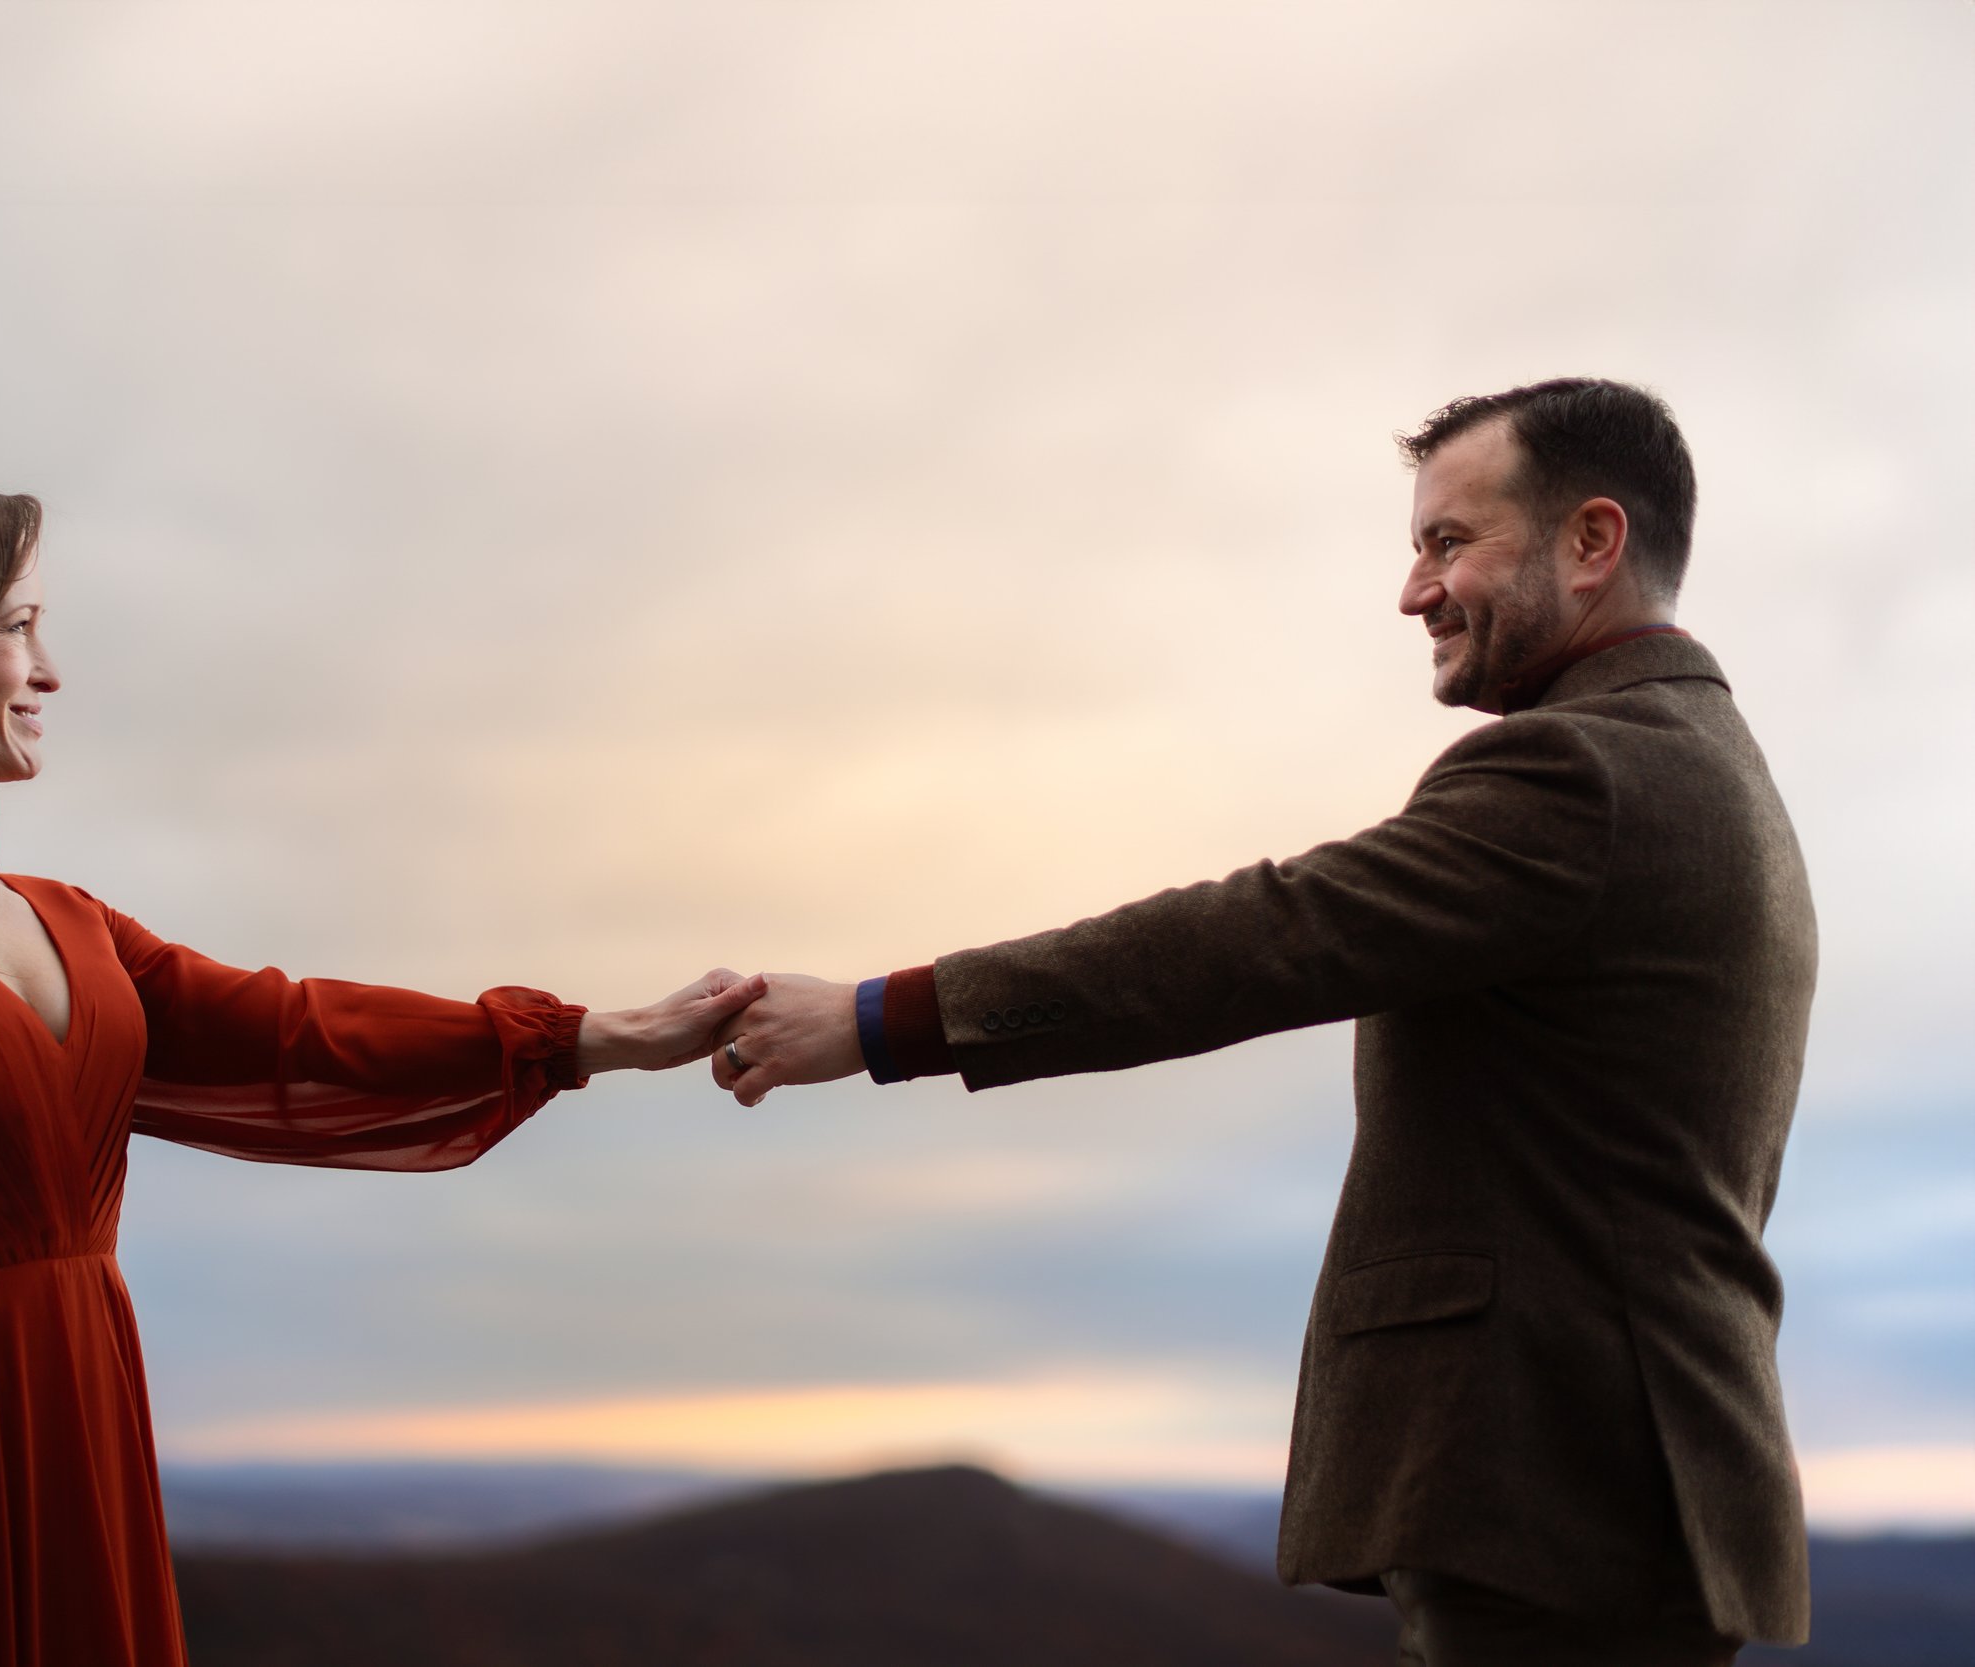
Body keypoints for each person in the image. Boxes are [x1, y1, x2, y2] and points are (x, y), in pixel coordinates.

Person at [709, 379, 1815, 1664]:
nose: (1414, 591)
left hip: (1550, 1477)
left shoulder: (1588, 774)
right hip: (1619, 1485)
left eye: (1449, 541)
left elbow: (1263, 936)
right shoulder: (1710, 766)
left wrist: (880, 1019)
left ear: (1591, 543)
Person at [0, 471, 760, 1667]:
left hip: (84, 1434)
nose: (52, 670)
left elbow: (290, 1032)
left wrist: (595, 1034)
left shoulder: (61, 917)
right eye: (19, 626)